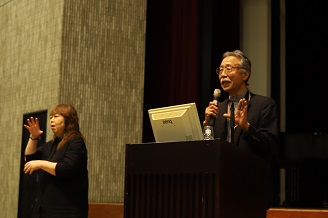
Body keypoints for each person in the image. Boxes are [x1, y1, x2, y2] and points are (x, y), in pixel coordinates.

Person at [203, 50, 279, 210]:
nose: (222, 74)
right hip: (222, 186)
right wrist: (206, 126)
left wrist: (246, 127)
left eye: (228, 69)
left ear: (245, 74)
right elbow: (208, 151)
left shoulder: (263, 105)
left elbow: (270, 146)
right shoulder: (217, 108)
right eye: (220, 70)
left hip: (253, 187)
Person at [23, 104, 89, 218]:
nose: (52, 120)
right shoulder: (51, 145)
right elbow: (29, 158)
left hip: (66, 211)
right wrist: (33, 137)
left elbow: (66, 169)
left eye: (56, 116)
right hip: (43, 211)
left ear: (68, 119)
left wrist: (40, 163)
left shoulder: (76, 142)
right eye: (50, 117)